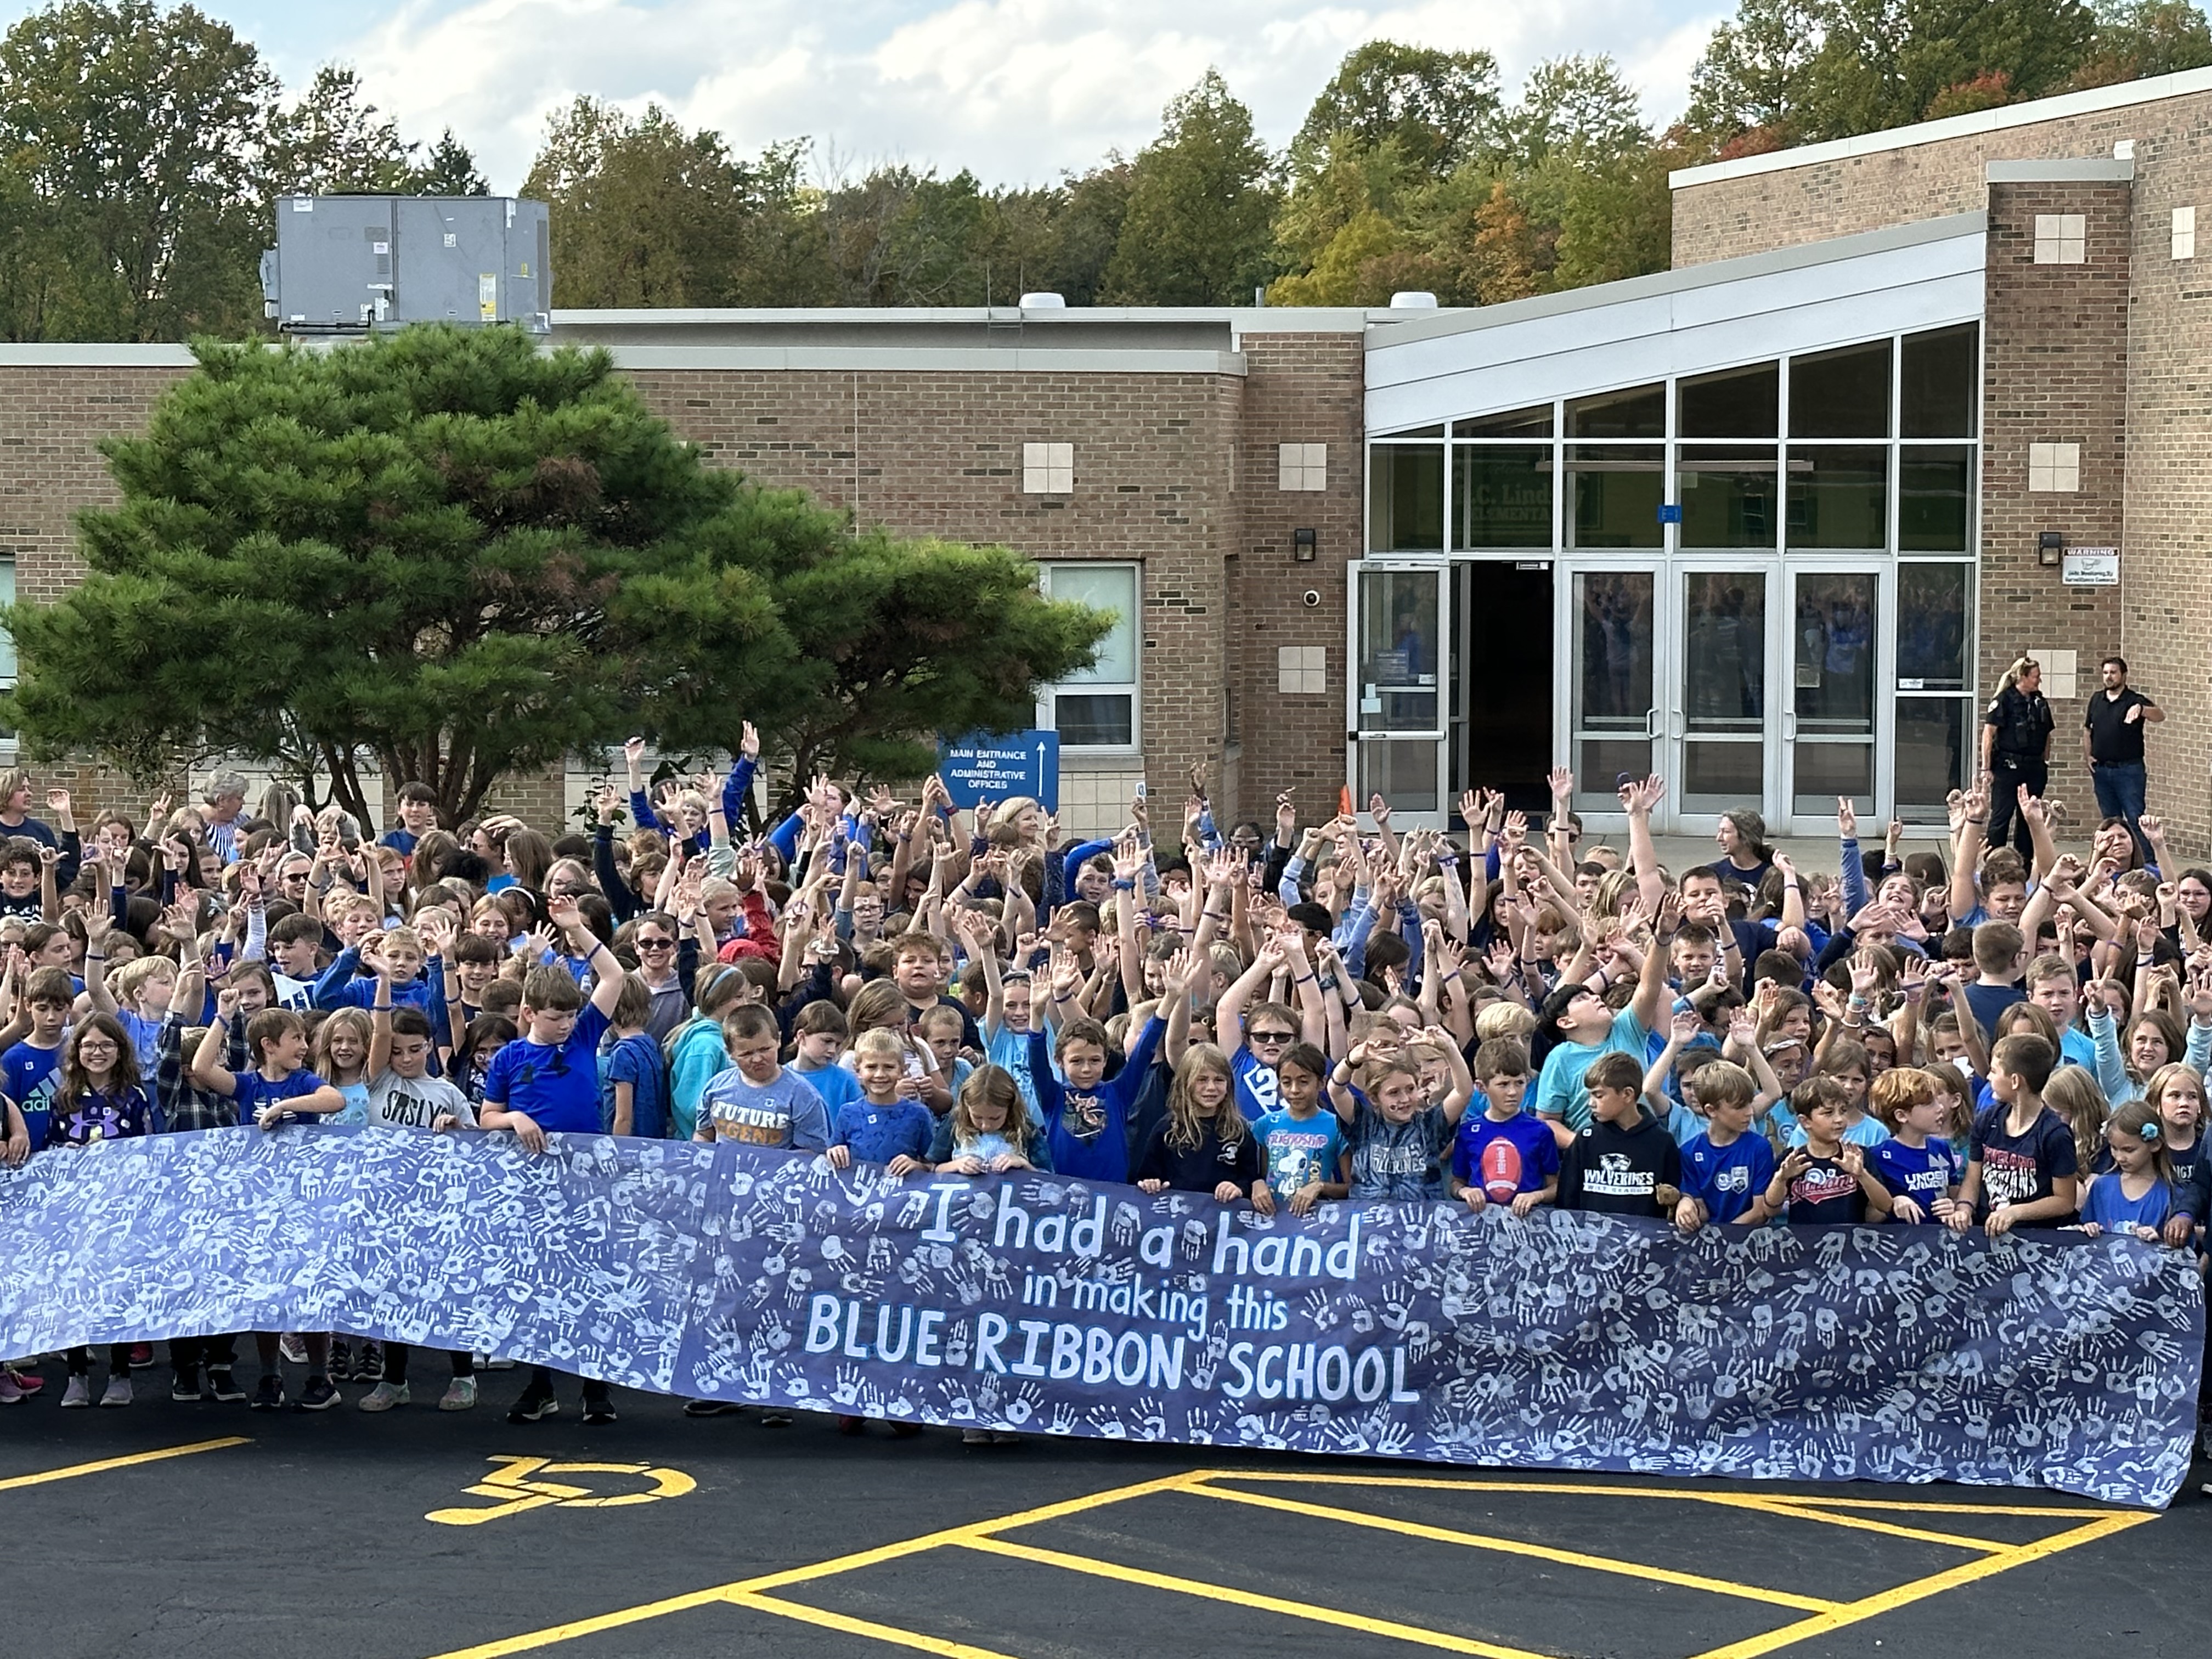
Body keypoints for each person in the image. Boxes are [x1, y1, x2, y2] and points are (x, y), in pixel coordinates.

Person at [476, 895, 629, 1426]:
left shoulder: (586, 1036)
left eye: (570, 1016)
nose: (565, 1024)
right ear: (528, 1014)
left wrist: (577, 930)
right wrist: (515, 1121)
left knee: (592, 1280)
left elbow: (613, 978)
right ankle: (540, 1384)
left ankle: (595, 1388)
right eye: (555, 1017)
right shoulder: (511, 1057)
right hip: (533, 1183)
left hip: (587, 1180)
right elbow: (486, 1116)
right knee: (541, 1283)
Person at [357, 986, 479, 1413]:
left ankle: (463, 1375)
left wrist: (458, 1130)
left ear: (430, 1046)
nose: (405, 1059)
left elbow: (478, 1153)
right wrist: (385, 982)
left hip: (437, 1205)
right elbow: (379, 1031)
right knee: (391, 1291)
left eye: (414, 1050)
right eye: (397, 1051)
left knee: (447, 1288)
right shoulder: (379, 1079)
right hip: (386, 1203)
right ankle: (394, 1380)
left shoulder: (449, 1094)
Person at [45, 1013, 153, 1408]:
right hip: (76, 1210)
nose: (97, 1052)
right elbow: (49, 1147)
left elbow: (149, 1150)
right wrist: (66, 1155)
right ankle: (76, 1375)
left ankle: (120, 1373)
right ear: (77, 1051)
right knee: (75, 1290)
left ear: (120, 1050)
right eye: (89, 1045)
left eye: (106, 1045)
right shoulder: (65, 1095)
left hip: (120, 1208)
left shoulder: (133, 1096)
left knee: (117, 1289)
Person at [1951, 1032, 2078, 1235]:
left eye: (1994, 1071)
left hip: (2035, 1239)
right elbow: (1973, 1179)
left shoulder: (2055, 1134)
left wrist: (2015, 1213)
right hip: (1986, 1234)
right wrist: (1964, 1207)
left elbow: (2064, 1201)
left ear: (2016, 1081)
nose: (1988, 1077)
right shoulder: (1987, 1120)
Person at [1135, 1045, 1269, 1209]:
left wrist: (1238, 1188)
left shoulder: (1239, 1130)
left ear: (1229, 1085)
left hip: (1224, 1221)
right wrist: (1151, 1184)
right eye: (1202, 1080)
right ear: (1186, 1084)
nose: (1211, 1087)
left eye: (1219, 1080)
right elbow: (1146, 1176)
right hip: (1178, 1220)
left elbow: (1250, 1178)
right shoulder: (1168, 1129)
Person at [1557, 1052, 1680, 1217]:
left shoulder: (1662, 1142)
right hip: (1591, 1240)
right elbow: (1567, 1201)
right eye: (1590, 1095)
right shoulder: (1586, 1140)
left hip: (1644, 1241)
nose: (1591, 1103)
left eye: (1599, 1095)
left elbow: (1671, 1204)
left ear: (1627, 1094)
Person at [1448, 1036, 1557, 1216]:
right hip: (1482, 1224)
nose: (1513, 1092)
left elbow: (1555, 1186)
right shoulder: (1468, 1132)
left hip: (1527, 1225)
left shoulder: (1540, 1131)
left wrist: (1537, 1196)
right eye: (1503, 1084)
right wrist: (1465, 1192)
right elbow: (1456, 1183)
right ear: (1482, 1087)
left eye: (1520, 1083)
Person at [1252, 1041, 1343, 1214]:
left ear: (1322, 1083)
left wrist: (1320, 1187)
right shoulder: (1265, 1124)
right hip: (1274, 1220)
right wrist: (1257, 1183)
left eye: (1303, 1082)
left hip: (1315, 1222)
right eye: (1287, 1083)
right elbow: (1261, 1174)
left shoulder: (1337, 1126)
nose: (1295, 1090)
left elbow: (1351, 1187)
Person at [2084, 657, 2162, 858]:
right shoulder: (2096, 699)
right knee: (2110, 822)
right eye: (2106, 673)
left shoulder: (2133, 700)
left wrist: (2142, 710)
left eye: (2113, 673)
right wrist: (2088, 756)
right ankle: (2113, 861)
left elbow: (2160, 716)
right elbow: (2087, 730)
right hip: (2101, 770)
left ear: (2123, 675)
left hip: (2129, 771)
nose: (2109, 677)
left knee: (2136, 820)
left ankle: (2147, 863)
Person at [2078, 1099, 2182, 1242]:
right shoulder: (2101, 1187)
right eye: (2114, 1148)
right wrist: (2089, 1229)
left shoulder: (2172, 1192)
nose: (2120, 1158)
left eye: (2129, 1150)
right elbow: (2085, 1229)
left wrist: (2159, 1239)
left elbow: (2182, 1246)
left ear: (2155, 1144)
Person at [1982, 656, 2054, 859]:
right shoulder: (2003, 701)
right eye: (2035, 676)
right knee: (2001, 818)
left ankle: (2025, 866)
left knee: (2029, 819)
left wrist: (2045, 761)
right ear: (2022, 677)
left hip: (2034, 769)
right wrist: (1986, 768)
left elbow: (2047, 733)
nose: (2039, 681)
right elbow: (1988, 734)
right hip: (2007, 767)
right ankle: (1994, 862)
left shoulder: (2040, 702)